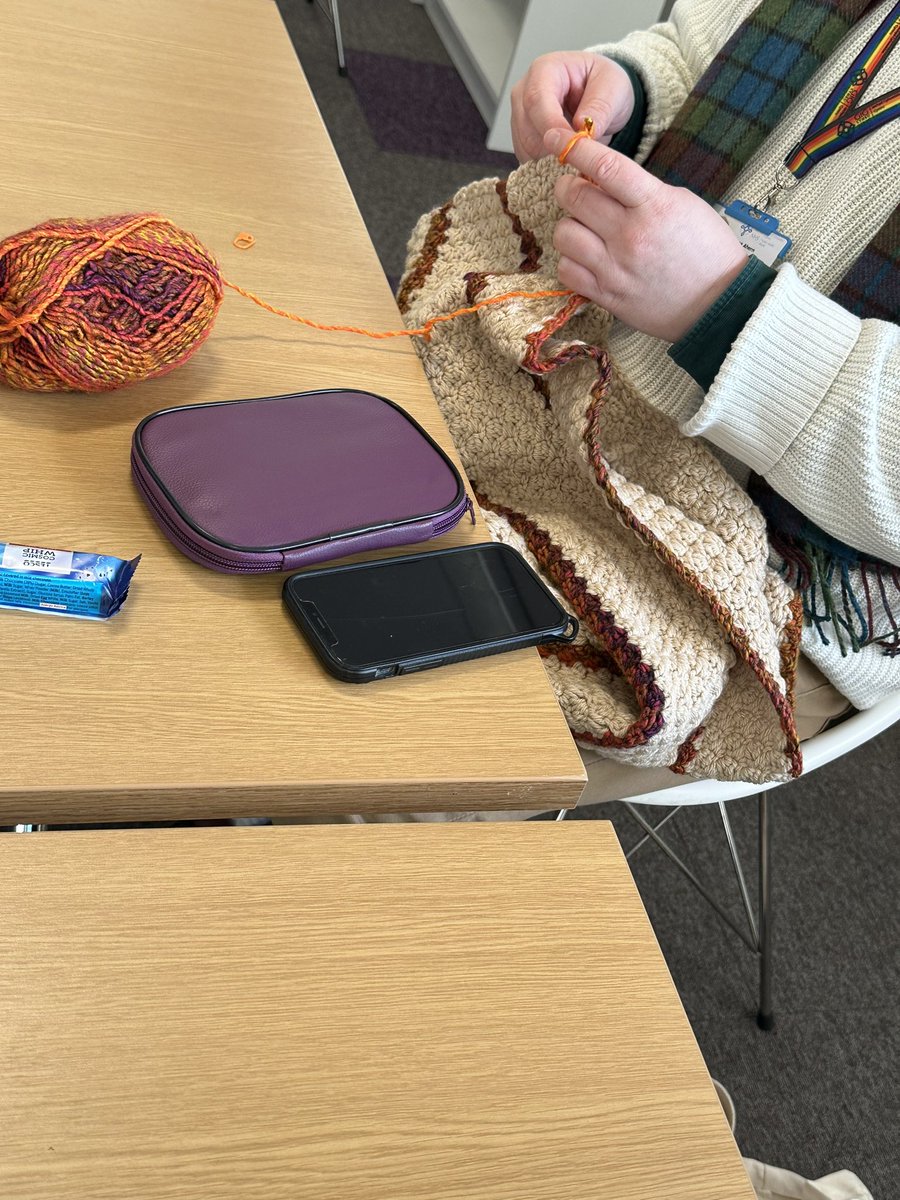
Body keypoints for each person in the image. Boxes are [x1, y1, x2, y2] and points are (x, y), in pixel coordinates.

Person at [341, 0, 900, 823]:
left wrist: (726, 310)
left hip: (776, 575)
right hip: (592, 375)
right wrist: (625, 89)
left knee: (384, 730)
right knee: (305, 476)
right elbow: (698, 50)